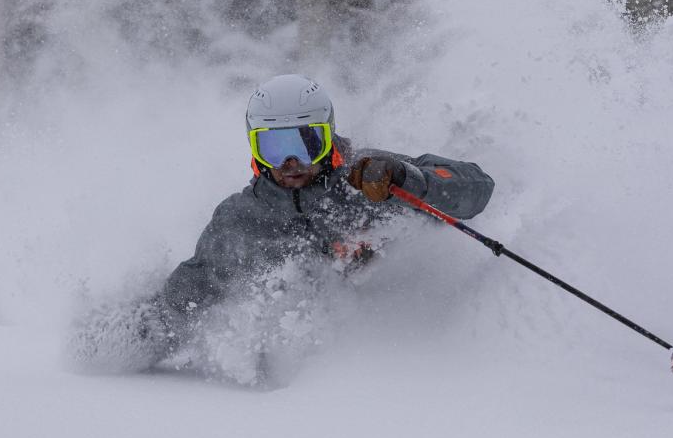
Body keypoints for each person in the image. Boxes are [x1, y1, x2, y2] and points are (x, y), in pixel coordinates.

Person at [68, 73, 494, 375]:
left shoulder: (370, 179)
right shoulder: (242, 220)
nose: (291, 163)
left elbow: (475, 188)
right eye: (274, 146)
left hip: (418, 358)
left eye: (306, 144)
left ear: (328, 136)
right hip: (319, 395)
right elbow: (190, 297)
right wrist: (130, 338)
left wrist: (408, 179)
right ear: (254, 147)